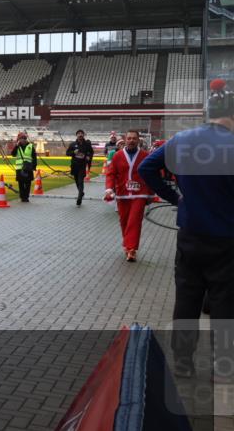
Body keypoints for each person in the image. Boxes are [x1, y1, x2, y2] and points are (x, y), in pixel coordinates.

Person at [139, 79, 234, 378]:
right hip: (227, 239)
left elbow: (147, 168)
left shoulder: (183, 139)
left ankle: (182, 363)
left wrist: (176, 199)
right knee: (225, 305)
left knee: (187, 300)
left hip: (190, 234)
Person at [103, 129, 153, 262]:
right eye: (129, 138)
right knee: (124, 221)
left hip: (140, 194)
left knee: (134, 221)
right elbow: (111, 173)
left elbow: (151, 175)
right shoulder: (118, 156)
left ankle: (131, 249)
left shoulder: (145, 155)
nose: (131, 140)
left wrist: (151, 194)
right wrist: (109, 189)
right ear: (125, 140)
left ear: (138, 140)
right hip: (122, 194)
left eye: (134, 138)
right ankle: (127, 245)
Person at [65, 129, 95, 206]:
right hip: (74, 165)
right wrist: (73, 153)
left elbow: (91, 152)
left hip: (82, 165)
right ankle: (81, 193)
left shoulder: (87, 144)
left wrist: (88, 156)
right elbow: (67, 153)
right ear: (76, 135)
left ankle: (79, 199)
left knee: (80, 181)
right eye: (79, 133)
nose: (80, 134)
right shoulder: (73, 144)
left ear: (83, 135)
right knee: (76, 181)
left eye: (81, 133)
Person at [12, 132, 37, 202]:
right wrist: (16, 146)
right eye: (21, 139)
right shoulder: (17, 146)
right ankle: (23, 197)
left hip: (28, 168)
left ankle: (26, 196)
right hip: (19, 168)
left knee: (28, 183)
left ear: (26, 139)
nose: (22, 140)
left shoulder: (30, 146)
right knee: (21, 183)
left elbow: (34, 157)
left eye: (24, 138)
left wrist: (34, 166)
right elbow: (13, 154)